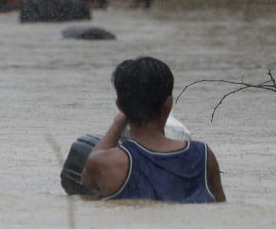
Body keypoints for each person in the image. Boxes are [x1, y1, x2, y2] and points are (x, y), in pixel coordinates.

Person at [81, 57, 226, 203]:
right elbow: (221, 208)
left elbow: (87, 180)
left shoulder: (106, 163)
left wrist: (118, 122)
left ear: (120, 105)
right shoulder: (203, 155)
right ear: (168, 103)